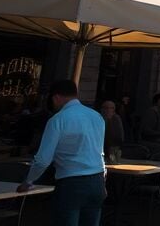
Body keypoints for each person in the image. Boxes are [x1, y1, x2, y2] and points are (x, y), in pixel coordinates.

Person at [19, 80, 106, 226]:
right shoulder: (96, 116)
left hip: (71, 182)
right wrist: (103, 180)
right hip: (96, 180)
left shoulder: (58, 120)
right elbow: (99, 152)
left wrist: (28, 181)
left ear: (56, 97)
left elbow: (43, 160)